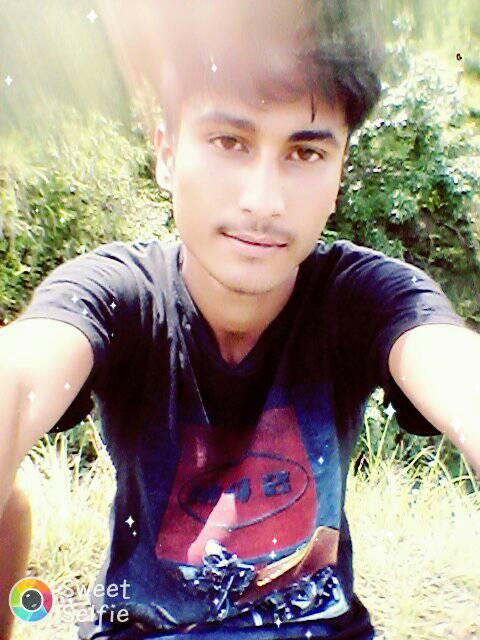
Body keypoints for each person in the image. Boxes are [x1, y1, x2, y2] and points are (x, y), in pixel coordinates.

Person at [1, 1, 479, 639]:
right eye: (230, 142)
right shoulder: (120, 296)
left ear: (340, 171)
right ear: (166, 152)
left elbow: (454, 370)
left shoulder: (364, 297)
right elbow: (21, 373)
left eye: (305, 153)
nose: (264, 200)